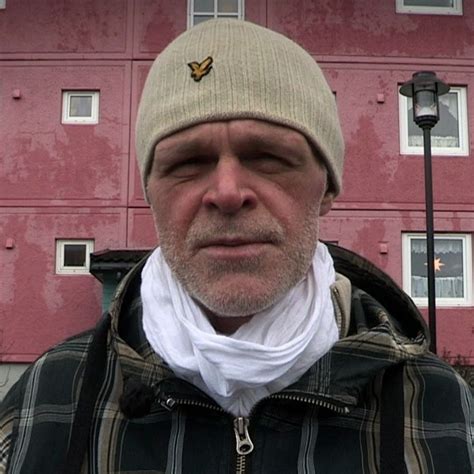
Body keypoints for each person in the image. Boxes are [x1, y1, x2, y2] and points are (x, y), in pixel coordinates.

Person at [0, 19, 472, 474]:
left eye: (267, 157)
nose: (227, 193)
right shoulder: (46, 401)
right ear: (151, 194)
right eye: (188, 162)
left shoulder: (440, 409)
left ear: (327, 186)